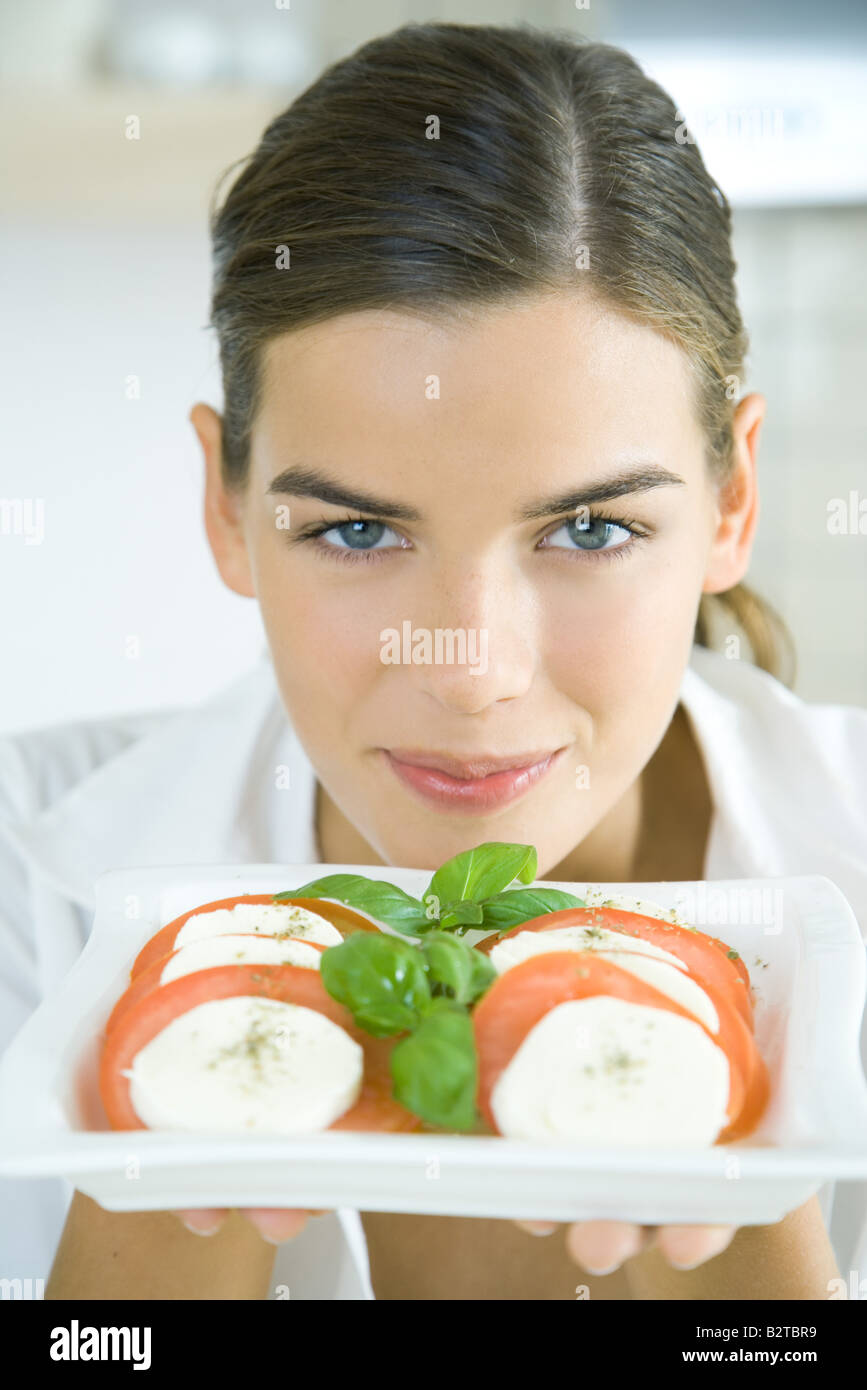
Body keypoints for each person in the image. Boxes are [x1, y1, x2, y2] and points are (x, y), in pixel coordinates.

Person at [1, 21, 865, 1300]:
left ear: (731, 503)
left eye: (590, 528)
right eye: (356, 529)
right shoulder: (26, 875)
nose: (469, 668)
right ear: (228, 508)